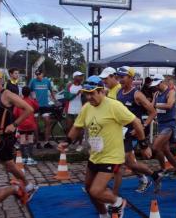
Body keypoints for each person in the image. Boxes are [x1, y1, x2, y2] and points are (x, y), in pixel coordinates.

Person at [58, 76, 152, 218]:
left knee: (96, 190)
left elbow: (137, 122)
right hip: (95, 155)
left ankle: (118, 202)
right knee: (89, 189)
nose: (89, 97)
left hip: (112, 156)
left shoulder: (114, 106)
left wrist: (144, 145)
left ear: (101, 91)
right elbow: (77, 126)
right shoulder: (86, 108)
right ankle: (103, 214)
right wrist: (67, 141)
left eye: (92, 93)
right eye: (86, 93)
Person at [0, 68, 38, 199]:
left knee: (5, 165)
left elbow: (29, 109)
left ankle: (25, 186)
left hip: (3, 138)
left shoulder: (7, 95)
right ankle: (28, 186)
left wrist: (14, 125)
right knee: (9, 165)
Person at [116, 66, 162, 193]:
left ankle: (149, 178)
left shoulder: (137, 94)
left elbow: (153, 112)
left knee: (127, 161)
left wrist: (143, 126)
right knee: (129, 163)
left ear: (131, 78)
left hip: (133, 133)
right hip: (122, 132)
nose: (120, 80)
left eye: (123, 77)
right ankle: (153, 176)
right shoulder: (119, 92)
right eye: (119, 77)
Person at [150, 74, 176, 178]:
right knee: (165, 150)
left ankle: (164, 168)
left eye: (157, 84)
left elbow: (169, 105)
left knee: (155, 147)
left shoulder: (171, 92)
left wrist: (156, 106)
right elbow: (151, 106)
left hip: (169, 124)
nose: (156, 87)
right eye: (155, 85)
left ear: (162, 82)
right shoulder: (156, 94)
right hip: (160, 123)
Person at [29, 68, 55, 149]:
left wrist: (54, 99)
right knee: (35, 124)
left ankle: (46, 141)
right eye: (36, 75)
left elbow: (51, 90)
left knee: (47, 122)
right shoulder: (33, 81)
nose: (38, 76)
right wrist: (31, 100)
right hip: (36, 106)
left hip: (45, 105)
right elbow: (28, 91)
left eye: (39, 74)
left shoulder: (47, 81)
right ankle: (37, 142)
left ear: (42, 74)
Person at [14, 86, 39, 165]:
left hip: (22, 123)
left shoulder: (19, 101)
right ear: (29, 93)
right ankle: (30, 157)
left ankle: (23, 157)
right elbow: (37, 107)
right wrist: (34, 98)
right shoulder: (31, 101)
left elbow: (15, 113)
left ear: (22, 93)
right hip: (31, 123)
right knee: (31, 139)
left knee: (22, 140)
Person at [64, 71, 85, 152]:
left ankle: (80, 144)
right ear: (74, 77)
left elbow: (87, 98)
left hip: (80, 110)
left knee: (79, 128)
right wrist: (77, 93)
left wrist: (83, 94)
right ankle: (67, 144)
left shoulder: (83, 86)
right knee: (68, 128)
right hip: (70, 110)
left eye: (81, 76)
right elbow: (67, 97)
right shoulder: (69, 86)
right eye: (79, 76)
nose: (81, 78)